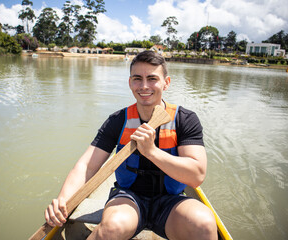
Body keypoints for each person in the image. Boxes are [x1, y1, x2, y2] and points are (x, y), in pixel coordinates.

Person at [45, 50, 217, 240]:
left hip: (172, 201)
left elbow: (197, 175)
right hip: (128, 197)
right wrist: (63, 199)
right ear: (130, 83)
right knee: (111, 227)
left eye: (152, 78)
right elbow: (87, 165)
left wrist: (151, 152)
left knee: (203, 224)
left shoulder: (185, 119)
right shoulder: (118, 120)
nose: (144, 86)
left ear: (166, 83)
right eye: (137, 78)